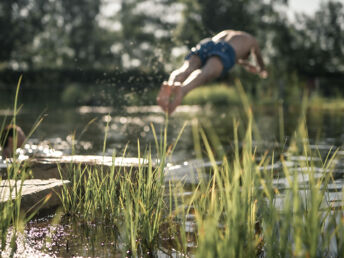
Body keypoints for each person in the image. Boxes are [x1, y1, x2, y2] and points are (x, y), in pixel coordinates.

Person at [157, 29, 268, 114]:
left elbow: (218, 50)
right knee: (205, 73)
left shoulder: (229, 32)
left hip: (208, 43)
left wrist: (245, 64)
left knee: (186, 69)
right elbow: (259, 59)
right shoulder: (252, 40)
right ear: (247, 54)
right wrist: (262, 71)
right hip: (226, 49)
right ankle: (183, 89)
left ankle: (171, 85)